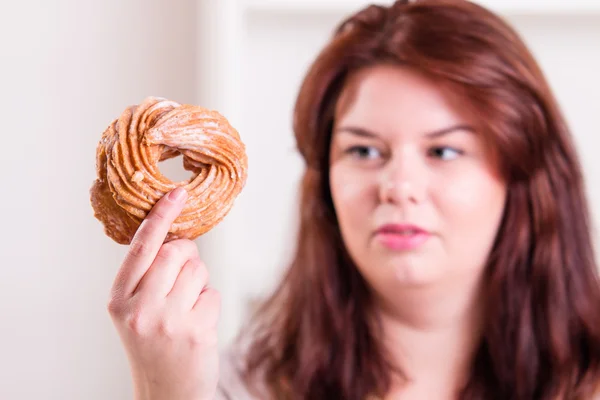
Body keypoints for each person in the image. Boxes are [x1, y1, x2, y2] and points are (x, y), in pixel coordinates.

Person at [106, 0, 600, 399]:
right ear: (324, 184)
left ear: (522, 175)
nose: (397, 184)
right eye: (363, 150)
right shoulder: (236, 387)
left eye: (444, 150)